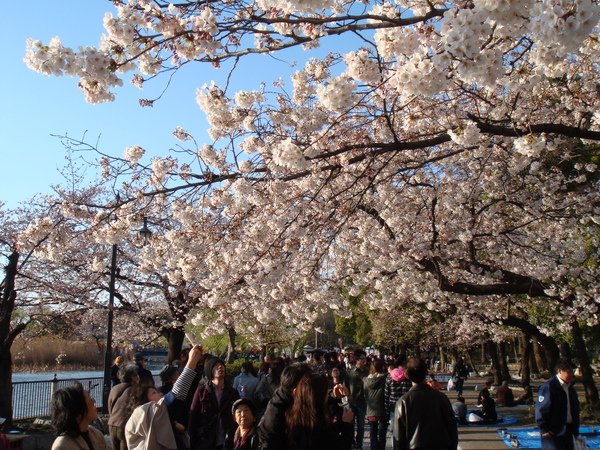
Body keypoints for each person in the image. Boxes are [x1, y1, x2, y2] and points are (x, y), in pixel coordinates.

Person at [126, 344, 203, 450]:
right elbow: (177, 394)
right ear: (144, 400)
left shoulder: (146, 417)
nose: (160, 395)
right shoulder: (146, 412)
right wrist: (192, 362)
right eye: (154, 393)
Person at [392, 357, 458, 450]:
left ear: (406, 375)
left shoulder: (403, 402)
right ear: (426, 372)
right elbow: (452, 430)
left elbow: (398, 438)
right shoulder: (441, 397)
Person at [284, 372, 354, 450]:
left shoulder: (292, 416)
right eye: (325, 392)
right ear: (320, 397)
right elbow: (342, 444)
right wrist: (347, 424)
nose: (327, 396)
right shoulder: (320, 430)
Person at [257, 362, 313, 450]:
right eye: (308, 385)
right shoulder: (276, 411)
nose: (311, 389)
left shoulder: (285, 396)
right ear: (296, 389)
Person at [189, 357, 240, 450]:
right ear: (210, 370)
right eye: (216, 365)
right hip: (206, 440)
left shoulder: (233, 392)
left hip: (227, 439)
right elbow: (193, 416)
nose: (220, 367)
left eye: (222, 365)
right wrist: (192, 441)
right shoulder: (201, 391)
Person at [535, 358, 580, 450]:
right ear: (559, 371)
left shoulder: (570, 387)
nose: (571, 374)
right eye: (569, 372)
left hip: (569, 430)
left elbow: (575, 407)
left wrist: (575, 429)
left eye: (572, 371)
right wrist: (544, 429)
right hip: (553, 432)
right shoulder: (549, 387)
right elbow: (541, 410)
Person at [50, 382, 110, 450]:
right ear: (79, 410)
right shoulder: (62, 446)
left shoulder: (96, 434)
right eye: (90, 401)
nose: (94, 402)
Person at [108, 364, 141, 450]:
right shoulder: (135, 390)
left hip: (112, 424)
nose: (138, 377)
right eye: (136, 375)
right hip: (124, 426)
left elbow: (110, 406)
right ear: (132, 377)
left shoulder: (114, 388)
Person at [364, 358, 387, 450]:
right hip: (383, 409)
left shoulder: (365, 380)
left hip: (371, 409)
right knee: (382, 433)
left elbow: (365, 394)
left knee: (373, 433)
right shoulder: (384, 378)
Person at [348, 349, 369, 450]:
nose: (364, 360)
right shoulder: (350, 372)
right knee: (350, 425)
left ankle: (359, 445)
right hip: (351, 402)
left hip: (362, 402)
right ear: (357, 359)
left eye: (365, 358)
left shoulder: (367, 371)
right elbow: (346, 387)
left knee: (361, 425)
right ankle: (351, 442)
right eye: (362, 358)